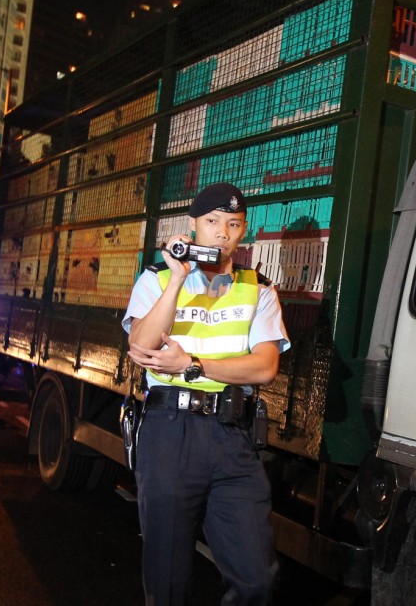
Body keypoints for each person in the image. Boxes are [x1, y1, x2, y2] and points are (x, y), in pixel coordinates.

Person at [122, 182, 290, 606]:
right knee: (169, 580)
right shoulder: (156, 278)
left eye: (233, 224)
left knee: (258, 581)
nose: (222, 232)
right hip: (169, 433)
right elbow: (142, 347)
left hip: (233, 437)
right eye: (212, 221)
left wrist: (193, 366)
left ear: (243, 231)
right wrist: (176, 281)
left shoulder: (260, 289)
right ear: (193, 226)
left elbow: (265, 366)